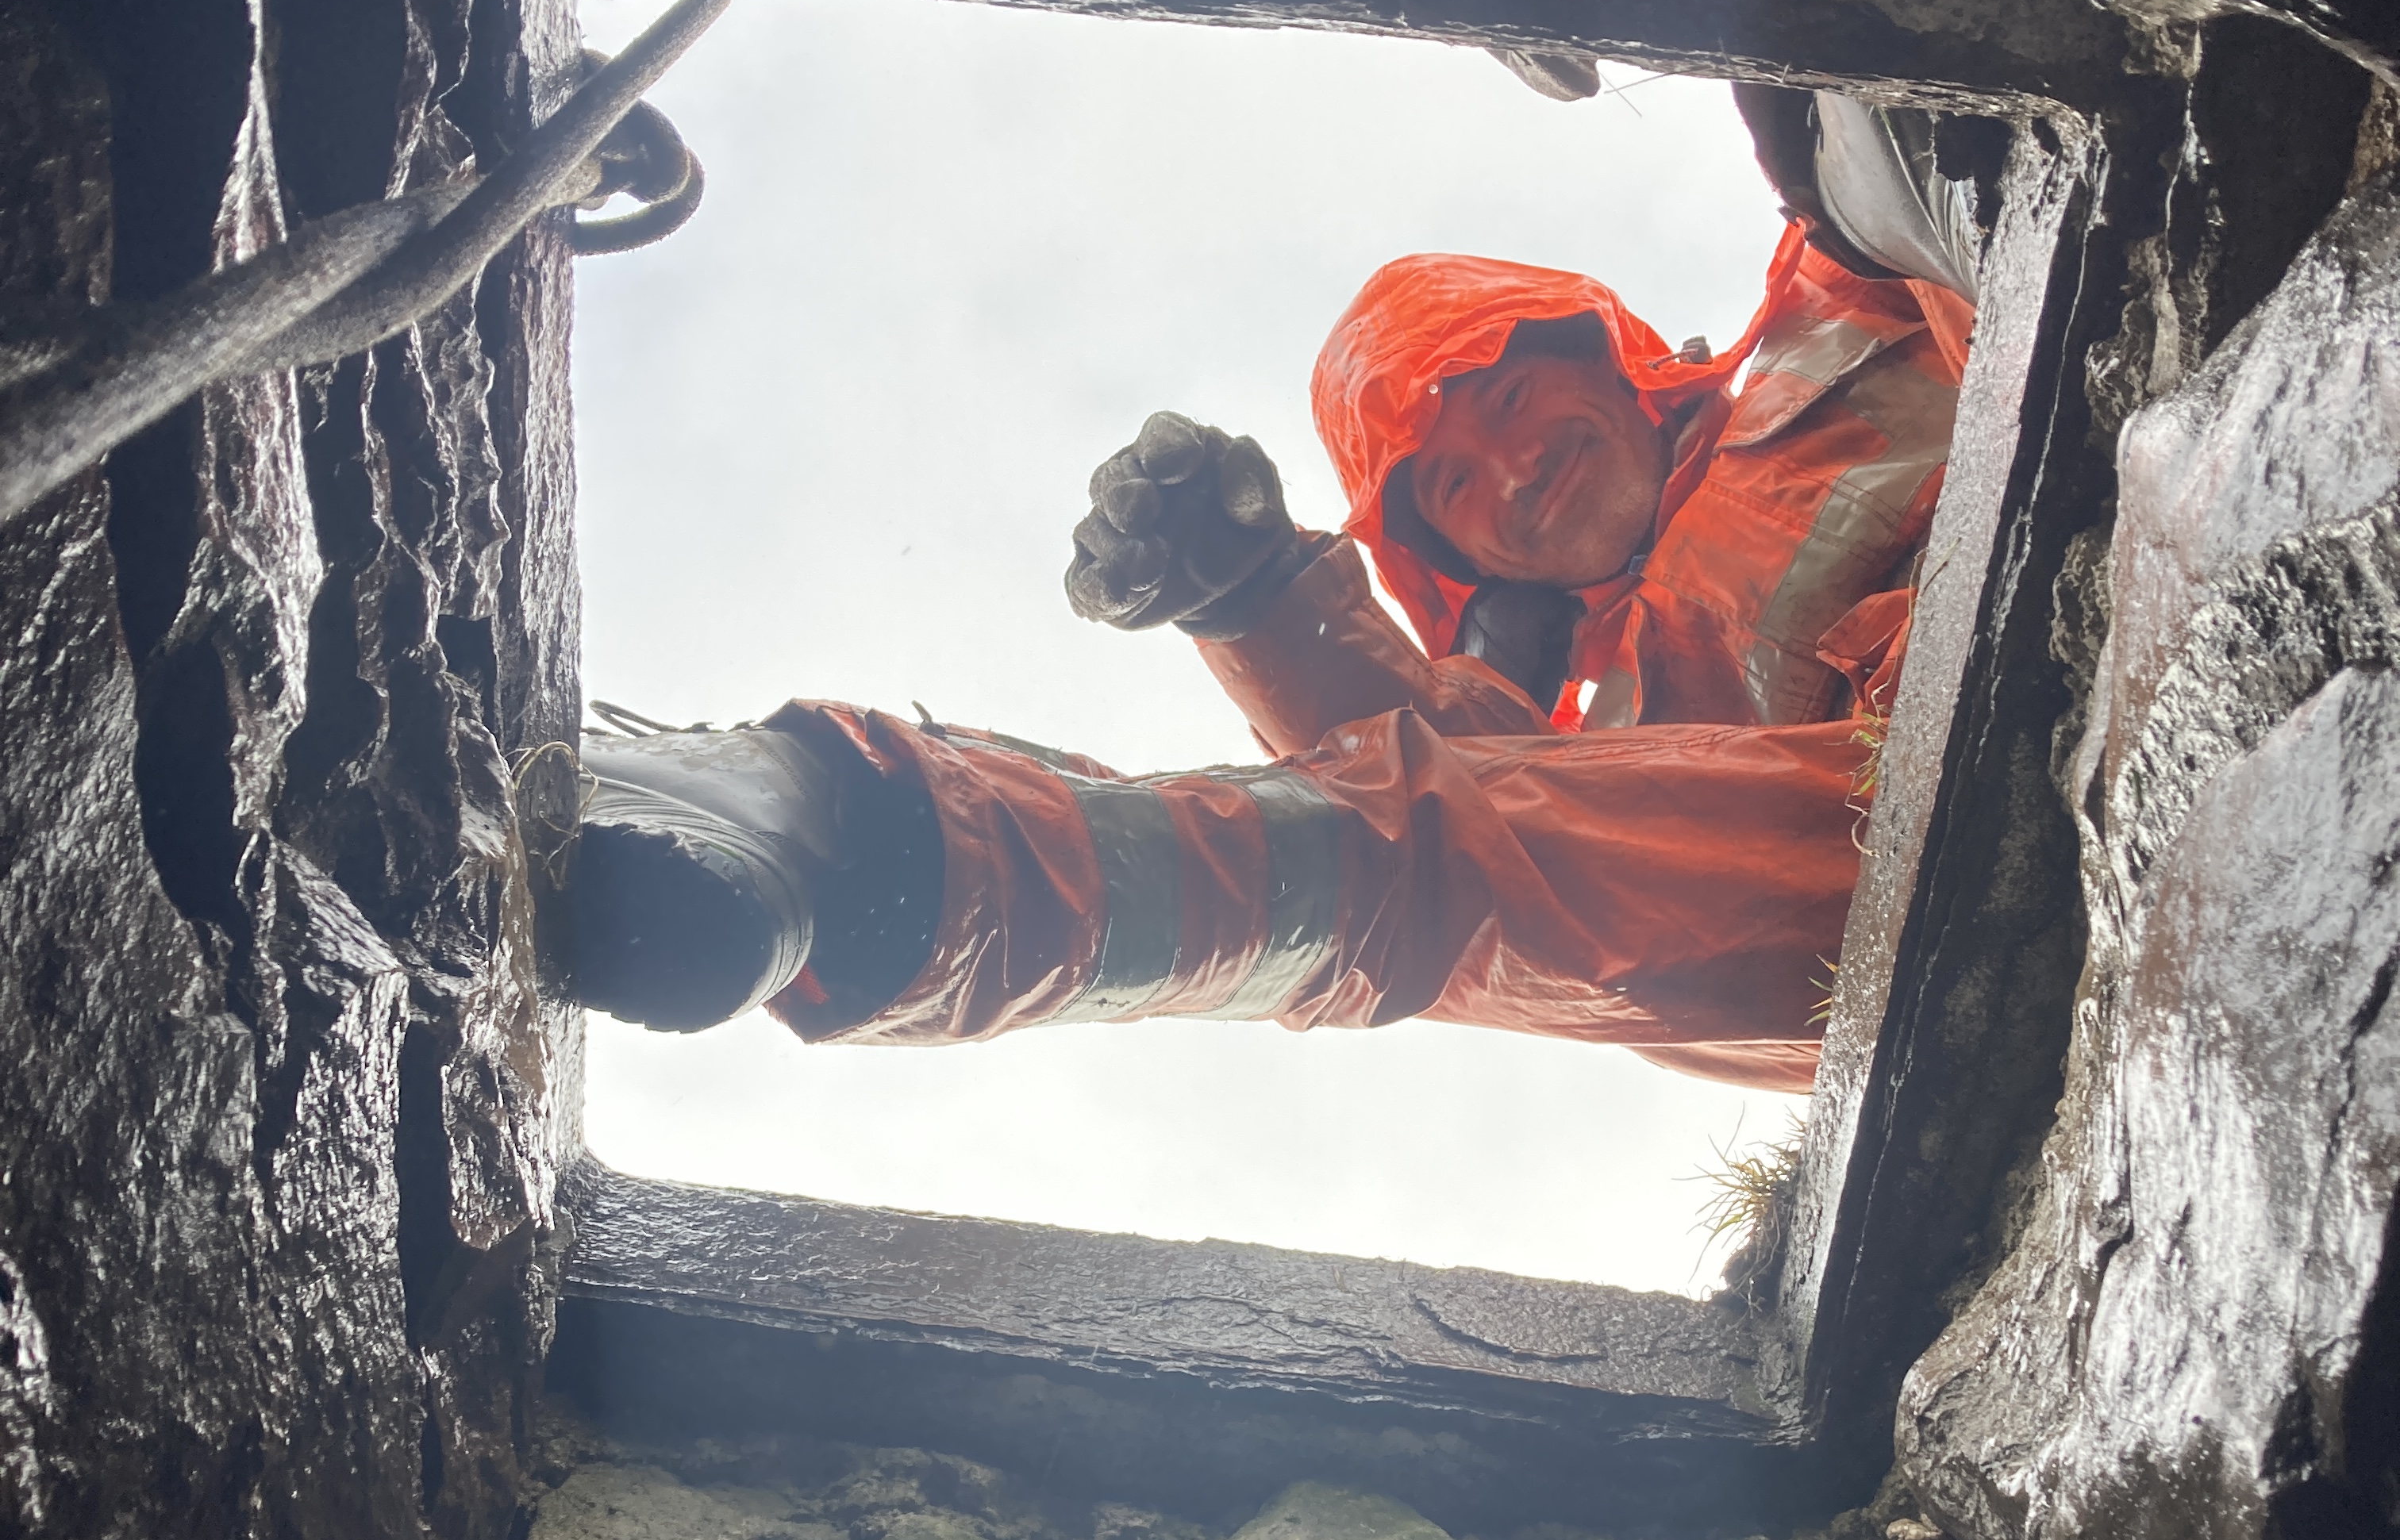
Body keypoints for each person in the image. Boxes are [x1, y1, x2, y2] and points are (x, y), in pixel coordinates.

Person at [525, 88, 1986, 1093]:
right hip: (1912, 864)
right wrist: (1264, 603)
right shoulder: (1605, 732)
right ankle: (866, 854)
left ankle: (864, 845)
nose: (1512, 466)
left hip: (2078, 539)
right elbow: (1466, 794)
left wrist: (1811, 79)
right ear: (1464, 574)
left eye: (1505, 394)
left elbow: (1945, 198)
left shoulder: (1829, 295)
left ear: (1606, 351)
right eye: (1452, 491)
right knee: (1478, 866)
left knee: (1884, 135)